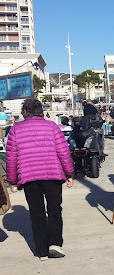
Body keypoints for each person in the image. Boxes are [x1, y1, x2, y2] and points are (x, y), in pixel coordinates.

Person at [6, 99, 74, 261]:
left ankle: (42, 251)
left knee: (36, 213)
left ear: (25, 112)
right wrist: (69, 173)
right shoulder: (52, 127)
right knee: (54, 209)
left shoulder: (16, 130)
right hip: (53, 175)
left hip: (29, 178)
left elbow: (11, 158)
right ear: (41, 111)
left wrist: (13, 181)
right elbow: (63, 152)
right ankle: (55, 243)